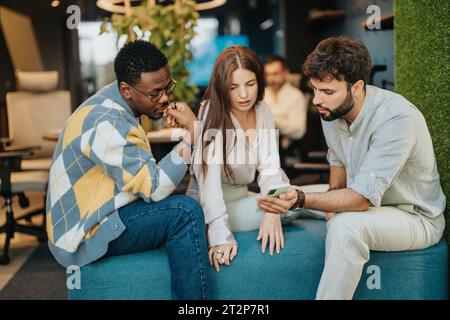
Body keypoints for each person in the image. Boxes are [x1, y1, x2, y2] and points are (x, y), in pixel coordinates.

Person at [257, 36, 446, 299]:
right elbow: (338, 161)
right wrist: (314, 199)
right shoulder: (331, 109)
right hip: (365, 199)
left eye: (327, 92)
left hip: (413, 216)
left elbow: (359, 200)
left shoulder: (396, 118)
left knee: (345, 226)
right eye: (314, 89)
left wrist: (302, 200)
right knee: (282, 193)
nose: (316, 100)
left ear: (357, 87)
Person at [46, 40, 210, 300]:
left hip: (102, 208)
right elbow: (154, 189)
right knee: (185, 212)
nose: (165, 97)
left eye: (167, 87)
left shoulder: (111, 102)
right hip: (86, 233)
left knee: (181, 198)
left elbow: (142, 174)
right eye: (155, 93)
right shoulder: (107, 122)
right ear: (126, 89)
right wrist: (191, 136)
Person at [183, 46, 300, 272]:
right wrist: (219, 235)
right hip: (211, 206)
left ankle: (328, 205)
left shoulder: (263, 109)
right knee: (293, 204)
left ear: (260, 81)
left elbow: (269, 167)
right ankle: (325, 205)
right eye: (233, 87)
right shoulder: (210, 110)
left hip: (244, 195)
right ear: (221, 87)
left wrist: (272, 209)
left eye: (250, 84)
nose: (244, 95)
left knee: (290, 197)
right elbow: (209, 181)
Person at [264, 55, 309, 165]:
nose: (270, 79)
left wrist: (274, 121)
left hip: (286, 154)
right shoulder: (262, 94)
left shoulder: (296, 96)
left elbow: (298, 131)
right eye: (267, 74)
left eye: (275, 74)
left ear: (285, 73)